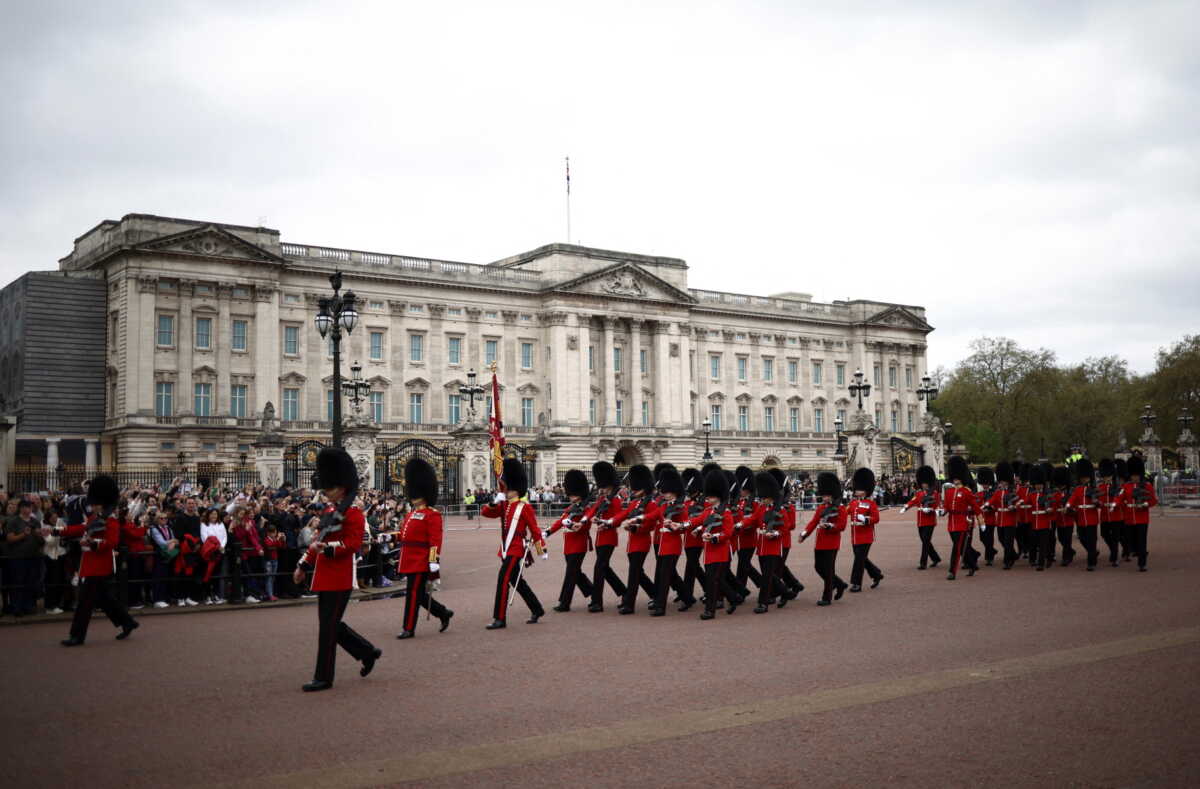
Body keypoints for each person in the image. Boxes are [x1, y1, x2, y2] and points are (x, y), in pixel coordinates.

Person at [291, 449, 381, 692]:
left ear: (341, 487)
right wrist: (303, 565)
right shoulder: (330, 512)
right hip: (324, 575)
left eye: (331, 487)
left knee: (328, 628)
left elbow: (353, 544)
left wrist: (327, 550)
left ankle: (324, 677)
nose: (327, 492)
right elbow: (316, 541)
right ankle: (367, 651)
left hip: (340, 576)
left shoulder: (353, 514)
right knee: (331, 625)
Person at [55, 476, 139, 646]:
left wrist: (93, 544)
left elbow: (112, 542)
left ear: (101, 503)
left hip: (99, 565)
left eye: (94, 503)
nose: (91, 506)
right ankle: (127, 622)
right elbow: (80, 528)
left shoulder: (112, 520)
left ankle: (77, 636)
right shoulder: (95, 519)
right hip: (90, 563)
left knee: (84, 603)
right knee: (104, 599)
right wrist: (57, 531)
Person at [481, 458, 547, 629]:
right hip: (505, 548)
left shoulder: (524, 507)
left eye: (506, 487)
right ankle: (537, 608)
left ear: (514, 488)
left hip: (516, 548)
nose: (504, 489)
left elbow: (534, 529)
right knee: (517, 580)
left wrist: (541, 549)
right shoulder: (504, 506)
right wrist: (495, 500)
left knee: (503, 579)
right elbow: (486, 513)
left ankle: (499, 618)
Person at [395, 458, 453, 638]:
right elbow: (405, 535)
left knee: (412, 593)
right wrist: (393, 536)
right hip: (408, 558)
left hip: (421, 559)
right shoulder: (412, 513)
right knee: (418, 595)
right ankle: (443, 612)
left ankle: (408, 627)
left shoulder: (432, 514)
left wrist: (434, 560)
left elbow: (435, 540)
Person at [543, 469, 595, 613]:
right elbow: (560, 522)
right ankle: (594, 592)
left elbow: (586, 526)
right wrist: (548, 532)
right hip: (569, 545)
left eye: (574, 494)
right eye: (571, 493)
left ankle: (564, 602)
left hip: (579, 544)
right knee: (576, 573)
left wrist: (571, 525)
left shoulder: (586, 507)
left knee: (570, 573)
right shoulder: (571, 507)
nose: (572, 496)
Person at [691, 469, 739, 620]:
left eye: (711, 496)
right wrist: (679, 524)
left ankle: (709, 610)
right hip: (709, 552)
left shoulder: (726, 513)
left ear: (718, 496)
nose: (708, 498)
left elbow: (728, 532)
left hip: (720, 551)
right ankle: (734, 598)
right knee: (716, 580)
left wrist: (714, 537)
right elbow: (697, 521)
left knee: (712, 581)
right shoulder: (708, 511)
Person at [611, 464, 659, 615]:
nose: (633, 490)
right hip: (632, 543)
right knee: (638, 573)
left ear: (644, 488)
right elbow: (623, 515)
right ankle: (655, 594)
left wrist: (635, 528)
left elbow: (650, 524)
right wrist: (609, 522)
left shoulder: (650, 504)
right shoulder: (634, 503)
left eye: (636, 488)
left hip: (642, 542)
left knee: (634, 573)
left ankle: (629, 603)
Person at [738, 470, 788, 614]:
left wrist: (775, 533)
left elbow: (785, 528)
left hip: (773, 546)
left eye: (765, 497)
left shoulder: (780, 510)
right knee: (769, 574)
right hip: (762, 546)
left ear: (771, 496)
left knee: (766, 576)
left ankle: (763, 603)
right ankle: (784, 592)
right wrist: (740, 524)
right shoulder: (761, 508)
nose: (763, 499)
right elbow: (752, 519)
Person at [648, 466, 694, 616]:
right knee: (671, 574)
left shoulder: (681, 507)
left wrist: (674, 526)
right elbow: (653, 515)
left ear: (674, 491)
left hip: (672, 546)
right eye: (664, 491)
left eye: (667, 492)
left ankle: (660, 606)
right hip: (662, 545)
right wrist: (638, 519)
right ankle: (688, 598)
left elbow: (685, 526)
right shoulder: (664, 506)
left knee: (665, 576)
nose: (665, 494)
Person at [582, 461, 627, 613]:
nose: (603, 489)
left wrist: (607, 523)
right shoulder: (603, 499)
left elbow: (618, 518)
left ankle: (597, 602)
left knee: (599, 568)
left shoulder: (615, 499)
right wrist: (587, 519)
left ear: (611, 485)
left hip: (609, 537)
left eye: (605, 487)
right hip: (600, 538)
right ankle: (625, 593)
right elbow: (592, 510)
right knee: (605, 568)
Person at [799, 471, 848, 606]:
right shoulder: (821, 508)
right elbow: (814, 522)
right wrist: (804, 534)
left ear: (832, 495)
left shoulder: (840, 509)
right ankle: (839, 584)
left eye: (827, 495)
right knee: (818, 567)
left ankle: (827, 597)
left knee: (828, 569)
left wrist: (830, 526)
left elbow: (842, 526)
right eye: (824, 495)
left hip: (832, 543)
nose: (825, 498)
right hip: (820, 542)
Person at [1112, 456, 1158, 571]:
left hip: (1142, 518)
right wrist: (1114, 504)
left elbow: (1153, 500)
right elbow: (1119, 497)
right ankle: (1136, 551)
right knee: (1130, 540)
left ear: (1140, 475)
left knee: (1142, 541)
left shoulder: (1147, 486)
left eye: (1136, 476)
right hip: (1129, 518)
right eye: (1133, 476)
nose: (1135, 478)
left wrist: (1146, 504)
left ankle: (1142, 564)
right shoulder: (1126, 486)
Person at [5, 498, 44, 617]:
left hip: (33, 556)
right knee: (18, 582)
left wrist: (38, 535)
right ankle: (17, 607)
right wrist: (23, 534)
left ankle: (29, 606)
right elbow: (9, 539)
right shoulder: (13, 521)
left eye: (29, 507)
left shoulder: (35, 521)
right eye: (25, 507)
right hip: (18, 557)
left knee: (31, 582)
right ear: (21, 508)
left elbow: (41, 541)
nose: (27, 509)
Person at [846, 468, 882, 592]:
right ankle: (876, 574)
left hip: (866, 536)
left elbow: (876, 518)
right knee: (862, 559)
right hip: (855, 536)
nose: (857, 491)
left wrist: (866, 519)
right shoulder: (853, 503)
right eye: (856, 489)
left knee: (858, 560)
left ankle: (856, 583)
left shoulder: (871, 504)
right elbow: (844, 513)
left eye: (859, 489)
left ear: (865, 491)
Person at [943, 457, 980, 581]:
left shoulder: (966, 491)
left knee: (956, 548)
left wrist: (982, 521)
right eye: (954, 477)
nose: (955, 479)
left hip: (962, 522)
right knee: (960, 546)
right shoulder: (949, 492)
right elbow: (947, 506)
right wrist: (942, 511)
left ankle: (952, 571)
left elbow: (976, 507)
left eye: (957, 477)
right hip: (951, 522)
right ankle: (973, 564)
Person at [900, 466, 942, 570]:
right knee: (925, 541)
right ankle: (936, 558)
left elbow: (937, 506)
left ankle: (923, 563)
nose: (924, 485)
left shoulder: (935, 493)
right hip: (921, 521)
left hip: (930, 521)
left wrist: (931, 510)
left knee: (926, 542)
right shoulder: (918, 493)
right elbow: (913, 501)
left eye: (925, 483)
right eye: (922, 483)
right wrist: (905, 507)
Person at [731, 465, 763, 597]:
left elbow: (756, 522)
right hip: (739, 538)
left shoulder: (754, 503)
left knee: (744, 565)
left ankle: (765, 584)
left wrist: (745, 526)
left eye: (742, 489)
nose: (740, 491)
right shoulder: (739, 503)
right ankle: (741, 590)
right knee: (743, 566)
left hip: (748, 539)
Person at [1065, 458, 1101, 571]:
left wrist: (1097, 502)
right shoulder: (1078, 489)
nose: (1084, 479)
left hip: (1091, 518)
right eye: (1082, 477)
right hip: (1081, 518)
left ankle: (1091, 563)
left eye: (1086, 477)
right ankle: (1093, 552)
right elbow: (1072, 499)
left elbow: (1100, 502)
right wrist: (1068, 506)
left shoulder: (1094, 488)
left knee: (1091, 540)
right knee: (1082, 538)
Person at [988, 462, 1022, 570]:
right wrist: (985, 506)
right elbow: (992, 501)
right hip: (1000, 520)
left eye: (1003, 480)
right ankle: (1013, 554)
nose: (1001, 482)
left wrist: (1015, 506)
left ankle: (1008, 561)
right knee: (1001, 539)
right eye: (1000, 480)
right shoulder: (998, 492)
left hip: (1010, 520)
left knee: (1008, 541)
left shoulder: (1013, 491)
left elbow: (1020, 501)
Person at [1026, 464, 1057, 571]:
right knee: (1036, 543)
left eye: (1039, 484)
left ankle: (1041, 564)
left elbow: (1054, 506)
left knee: (1043, 544)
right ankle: (1045, 558)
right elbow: (1027, 504)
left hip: (1045, 522)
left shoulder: (1048, 494)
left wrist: (1050, 510)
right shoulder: (1032, 495)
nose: (1038, 486)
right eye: (1036, 484)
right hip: (1035, 523)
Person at [1096, 459, 1123, 567]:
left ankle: (1115, 557)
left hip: (1116, 515)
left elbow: (1120, 499)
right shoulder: (1100, 487)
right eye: (1105, 477)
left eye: (1108, 476)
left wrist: (1115, 503)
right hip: (1104, 516)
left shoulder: (1117, 487)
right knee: (1104, 534)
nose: (1106, 478)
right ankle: (1113, 550)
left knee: (1116, 537)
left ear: (1112, 476)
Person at [1052, 465, 1077, 566]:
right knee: (1061, 538)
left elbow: (1073, 503)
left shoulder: (1070, 491)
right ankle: (1070, 551)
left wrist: (1068, 509)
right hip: (1059, 520)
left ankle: (1066, 557)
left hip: (1068, 519)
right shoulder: (1055, 492)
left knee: (1067, 539)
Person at [975, 466, 999, 566]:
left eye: (986, 483)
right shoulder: (979, 494)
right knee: (982, 538)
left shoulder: (993, 493)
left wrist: (991, 508)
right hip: (981, 519)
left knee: (989, 538)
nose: (984, 485)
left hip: (990, 518)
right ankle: (992, 551)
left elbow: (996, 506)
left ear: (989, 483)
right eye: (983, 483)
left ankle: (989, 558)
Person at [262, 522, 285, 601]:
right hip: (268, 560)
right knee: (269, 577)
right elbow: (269, 546)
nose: (274, 534)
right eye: (272, 532)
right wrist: (277, 539)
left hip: (275, 559)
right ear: (268, 533)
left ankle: (270, 594)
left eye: (274, 532)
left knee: (273, 578)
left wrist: (282, 539)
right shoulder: (266, 539)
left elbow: (280, 546)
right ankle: (270, 595)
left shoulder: (274, 539)